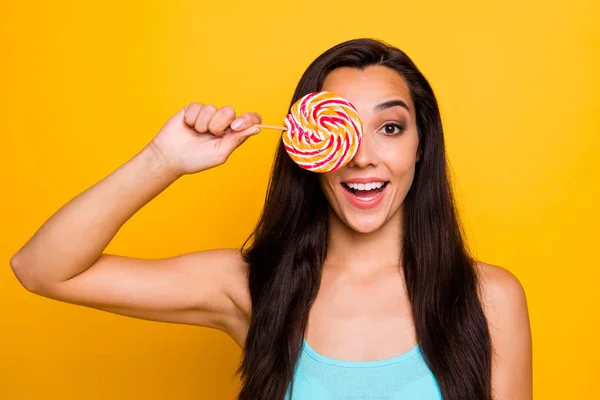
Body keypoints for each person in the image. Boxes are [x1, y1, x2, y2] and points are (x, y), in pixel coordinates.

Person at [9, 38, 532, 400]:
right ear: (309, 143)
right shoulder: (252, 286)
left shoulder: (490, 298)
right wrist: (163, 161)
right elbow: (42, 270)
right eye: (342, 125)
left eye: (390, 128)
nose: (362, 155)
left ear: (421, 146)